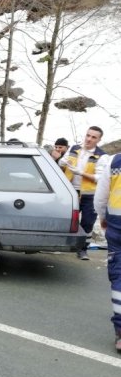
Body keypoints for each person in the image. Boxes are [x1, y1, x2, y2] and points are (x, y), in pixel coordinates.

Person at [59, 126, 107, 260]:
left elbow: (100, 178)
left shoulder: (102, 156)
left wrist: (80, 173)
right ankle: (63, 245)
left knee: (87, 223)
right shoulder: (74, 148)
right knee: (66, 220)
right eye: (88, 135)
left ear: (99, 140)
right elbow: (63, 164)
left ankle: (82, 249)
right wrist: (63, 162)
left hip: (89, 194)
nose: (89, 139)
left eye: (93, 137)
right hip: (70, 191)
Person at [93, 153, 121, 353]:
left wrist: (103, 218)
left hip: (117, 227)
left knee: (119, 276)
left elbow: (101, 197)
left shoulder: (115, 161)